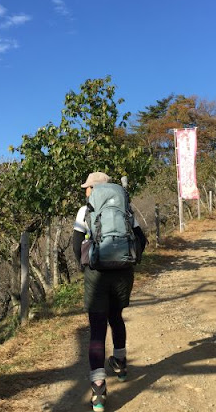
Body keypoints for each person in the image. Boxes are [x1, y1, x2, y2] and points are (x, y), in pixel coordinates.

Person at [72, 171, 147, 412]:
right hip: (123, 272)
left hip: (97, 275)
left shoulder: (86, 211)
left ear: (93, 189)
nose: (85, 191)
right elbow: (141, 239)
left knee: (96, 330)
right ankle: (121, 365)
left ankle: (98, 391)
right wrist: (129, 259)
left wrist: (87, 266)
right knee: (116, 318)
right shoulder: (125, 207)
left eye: (87, 187)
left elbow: (75, 245)